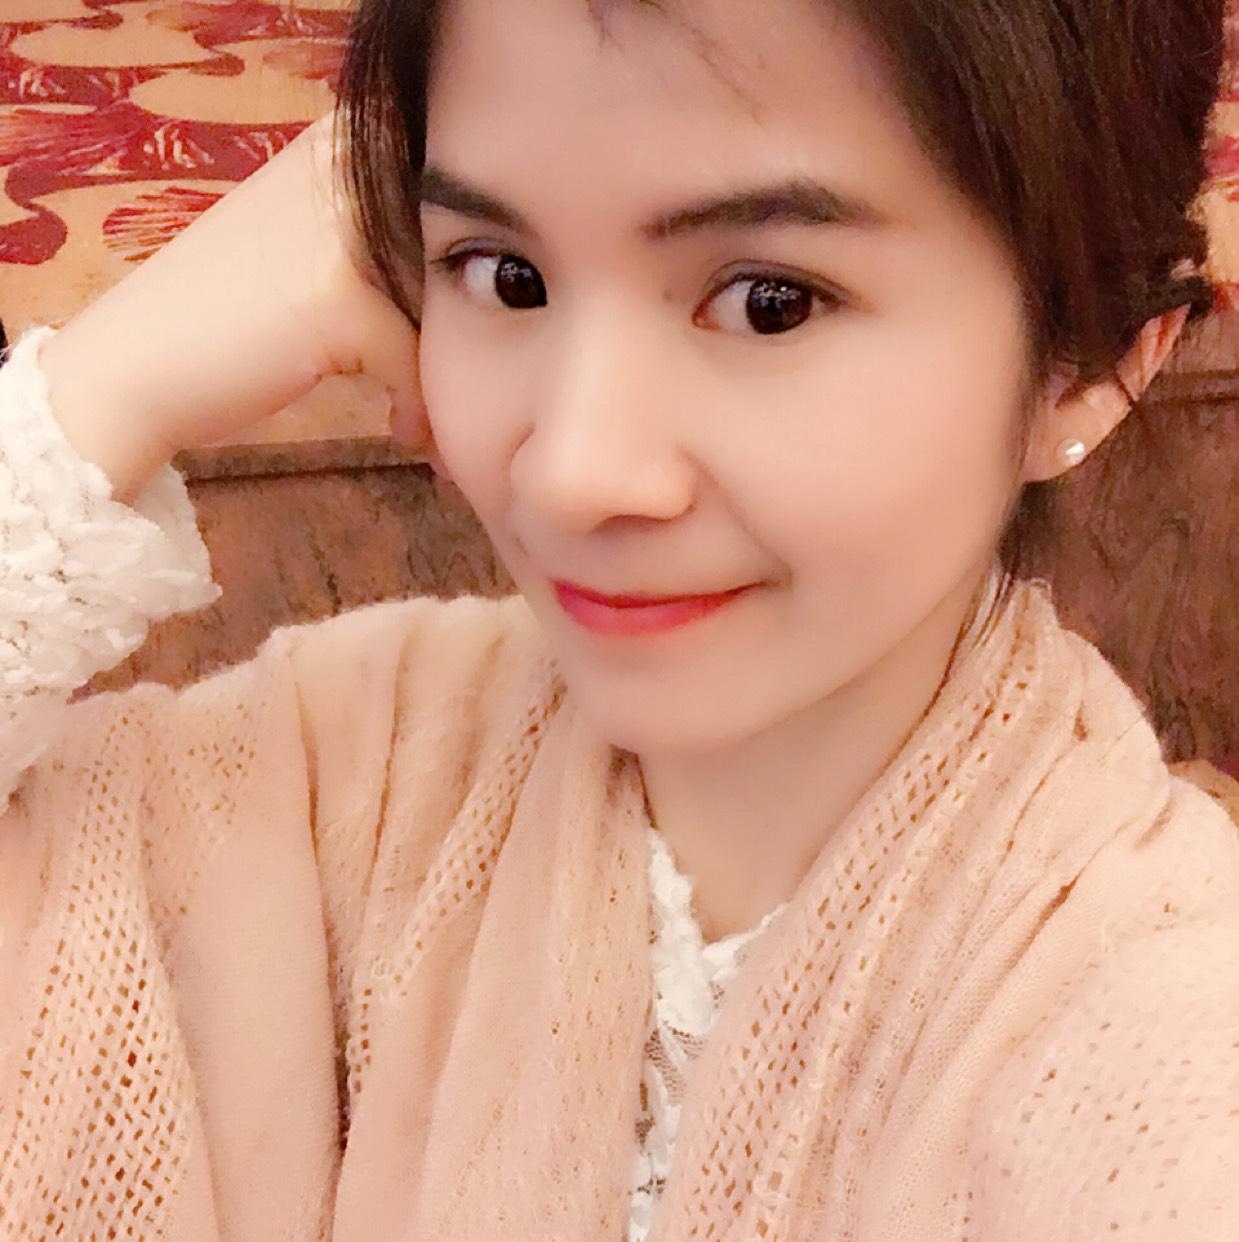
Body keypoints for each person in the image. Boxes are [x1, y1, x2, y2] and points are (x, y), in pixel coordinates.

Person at [1, 0, 1237, 1237]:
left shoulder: (1160, 1049)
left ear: (1093, 362)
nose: (572, 472)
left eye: (769, 302)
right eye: (507, 276)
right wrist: (104, 390)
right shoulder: (345, 762)